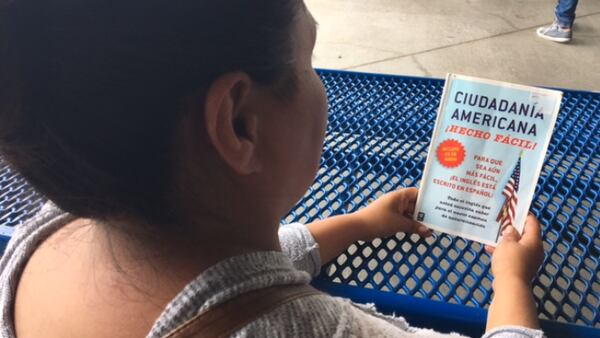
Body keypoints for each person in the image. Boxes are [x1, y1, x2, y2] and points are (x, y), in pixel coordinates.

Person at [0, 1, 545, 337]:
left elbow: (216, 282)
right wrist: (512, 282)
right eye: (309, 60)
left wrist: (358, 224)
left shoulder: (47, 237)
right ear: (240, 124)